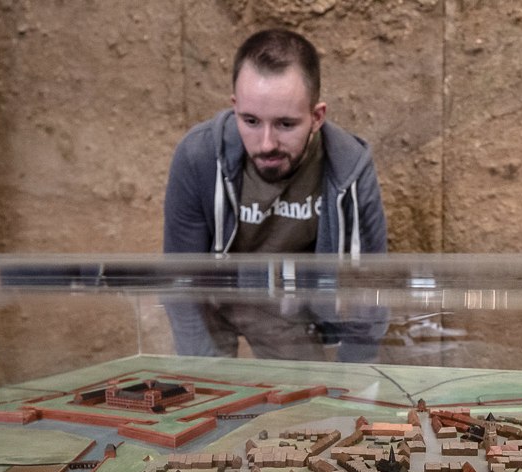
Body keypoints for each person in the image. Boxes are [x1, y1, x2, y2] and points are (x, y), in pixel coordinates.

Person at [162, 28, 387, 361]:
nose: (266, 143)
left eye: (285, 124)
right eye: (250, 121)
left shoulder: (349, 168)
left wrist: (356, 381)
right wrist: (203, 376)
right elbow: (181, 281)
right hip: (211, 299)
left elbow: (370, 290)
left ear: (317, 116)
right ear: (234, 107)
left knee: (306, 403)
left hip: (287, 307)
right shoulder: (198, 156)